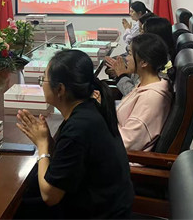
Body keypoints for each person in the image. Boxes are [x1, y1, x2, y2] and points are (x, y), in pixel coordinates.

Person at [16, 50, 133, 219]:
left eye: (43, 80)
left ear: (60, 89)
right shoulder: (90, 108)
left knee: (24, 203)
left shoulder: (78, 128)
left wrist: (42, 147)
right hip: (107, 205)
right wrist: (48, 142)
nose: (42, 85)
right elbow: (73, 159)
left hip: (99, 213)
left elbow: (50, 196)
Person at [113, 34, 173, 152]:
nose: (126, 58)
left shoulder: (150, 99)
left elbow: (126, 142)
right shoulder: (148, 84)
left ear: (144, 62)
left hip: (121, 157)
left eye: (130, 54)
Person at [109, 15, 174, 96]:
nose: (140, 34)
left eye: (142, 31)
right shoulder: (154, 57)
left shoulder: (160, 68)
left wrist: (122, 76)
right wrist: (127, 71)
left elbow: (136, 95)